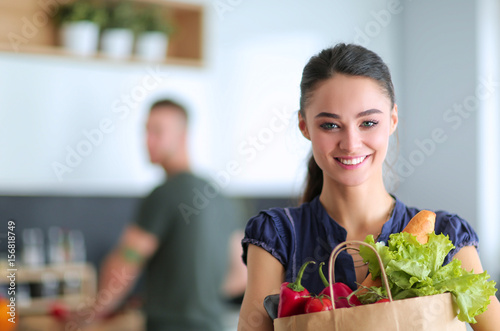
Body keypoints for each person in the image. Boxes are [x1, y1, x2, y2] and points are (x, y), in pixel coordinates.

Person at [237, 43, 500, 331]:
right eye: (330, 125)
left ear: (392, 120)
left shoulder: (444, 236)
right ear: (304, 126)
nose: (351, 143)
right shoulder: (277, 237)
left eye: (368, 122)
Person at [82, 99, 246, 331]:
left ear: (182, 136)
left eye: (157, 131)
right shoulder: (221, 197)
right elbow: (242, 275)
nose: (148, 141)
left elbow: (126, 263)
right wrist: (192, 297)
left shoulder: (165, 194)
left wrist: (89, 314)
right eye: (146, 131)